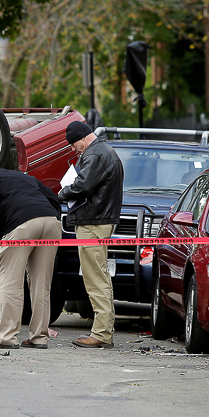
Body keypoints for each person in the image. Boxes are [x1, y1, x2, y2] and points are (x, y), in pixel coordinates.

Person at [0, 157, 61, 349]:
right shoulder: (24, 177)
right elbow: (54, 199)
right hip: (51, 223)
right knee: (41, 284)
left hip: (20, 225)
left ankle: (7, 337)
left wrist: (2, 233)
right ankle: (39, 337)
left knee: (10, 283)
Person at [57, 120, 124, 349]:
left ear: (83, 137)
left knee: (95, 278)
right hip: (99, 220)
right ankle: (104, 330)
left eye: (74, 144)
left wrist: (62, 193)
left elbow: (83, 185)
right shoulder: (105, 151)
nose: (73, 149)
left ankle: (101, 334)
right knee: (100, 276)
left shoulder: (95, 154)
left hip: (93, 222)